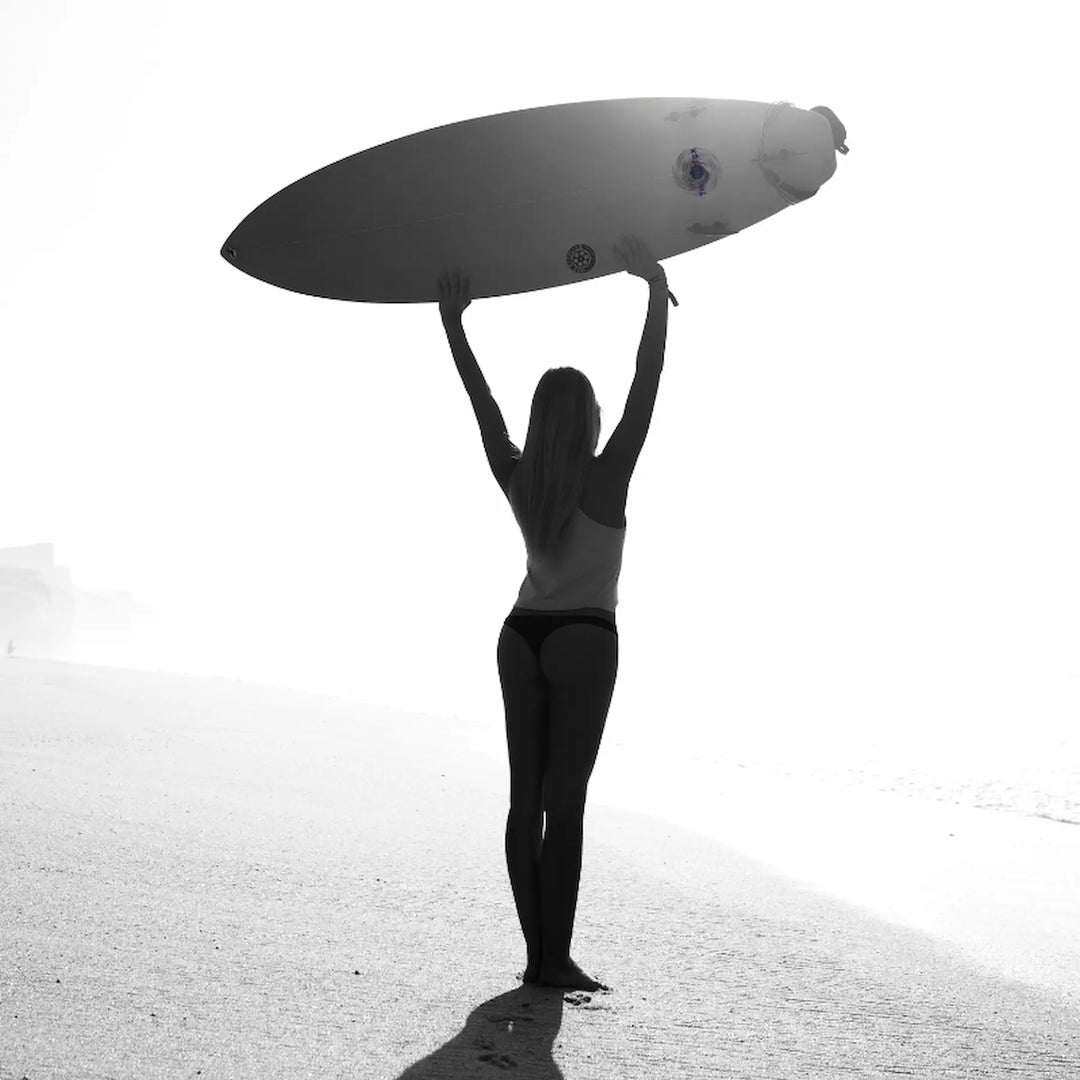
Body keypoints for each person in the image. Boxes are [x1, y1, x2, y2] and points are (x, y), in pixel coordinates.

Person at [437, 236, 670, 991]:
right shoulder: (608, 478)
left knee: (523, 804)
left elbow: (483, 405)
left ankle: (534, 954)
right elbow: (647, 385)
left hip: (521, 637)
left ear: (542, 424)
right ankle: (554, 962)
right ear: (590, 420)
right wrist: (653, 290)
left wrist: (453, 322)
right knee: (564, 810)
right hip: (583, 640)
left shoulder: (518, 476)